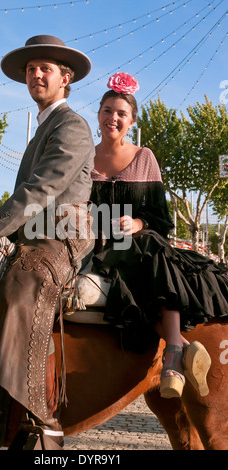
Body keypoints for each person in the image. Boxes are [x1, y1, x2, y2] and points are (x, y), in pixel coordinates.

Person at [0, 35, 95, 450]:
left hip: (60, 236)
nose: (35, 75)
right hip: (29, 233)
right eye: (31, 70)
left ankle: (39, 424)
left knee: (19, 292)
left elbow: (40, 190)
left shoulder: (72, 126)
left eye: (44, 68)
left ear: (65, 78)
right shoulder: (44, 127)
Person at [90, 72, 228, 400]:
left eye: (121, 113)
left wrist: (137, 223)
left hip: (137, 242)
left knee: (154, 247)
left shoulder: (144, 158)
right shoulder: (83, 158)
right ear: (98, 116)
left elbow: (160, 219)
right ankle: (175, 348)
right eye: (107, 110)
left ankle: (175, 352)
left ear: (132, 121)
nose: (113, 118)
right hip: (94, 243)